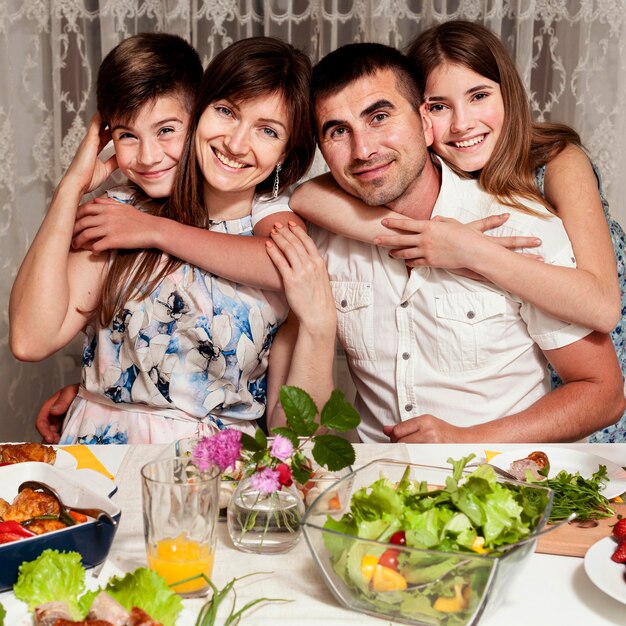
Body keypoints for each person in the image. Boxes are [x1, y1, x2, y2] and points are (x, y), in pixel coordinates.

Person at [271, 41, 625, 443]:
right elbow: (292, 435)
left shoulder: (519, 227)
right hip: (371, 485)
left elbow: (604, 393)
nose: (363, 150)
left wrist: (466, 439)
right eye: (338, 131)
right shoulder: (320, 234)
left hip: (498, 484)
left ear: (425, 125)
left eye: (380, 117)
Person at [10, 36, 336, 444]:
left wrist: (155, 232)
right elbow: (29, 339)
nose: (235, 144)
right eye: (225, 112)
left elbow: (293, 433)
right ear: (201, 111)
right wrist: (70, 187)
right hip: (103, 458)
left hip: (217, 470)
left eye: (267, 131)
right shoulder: (121, 215)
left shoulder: (278, 235)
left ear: (287, 152)